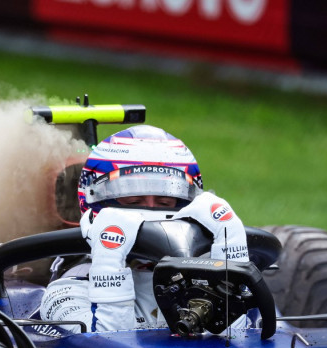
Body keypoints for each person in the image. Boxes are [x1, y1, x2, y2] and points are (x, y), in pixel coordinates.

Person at [40, 125, 249, 332]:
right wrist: (109, 260)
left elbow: (242, 347)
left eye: (165, 202)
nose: (149, 212)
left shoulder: (205, 277)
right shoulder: (68, 291)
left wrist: (231, 245)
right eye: (133, 201)